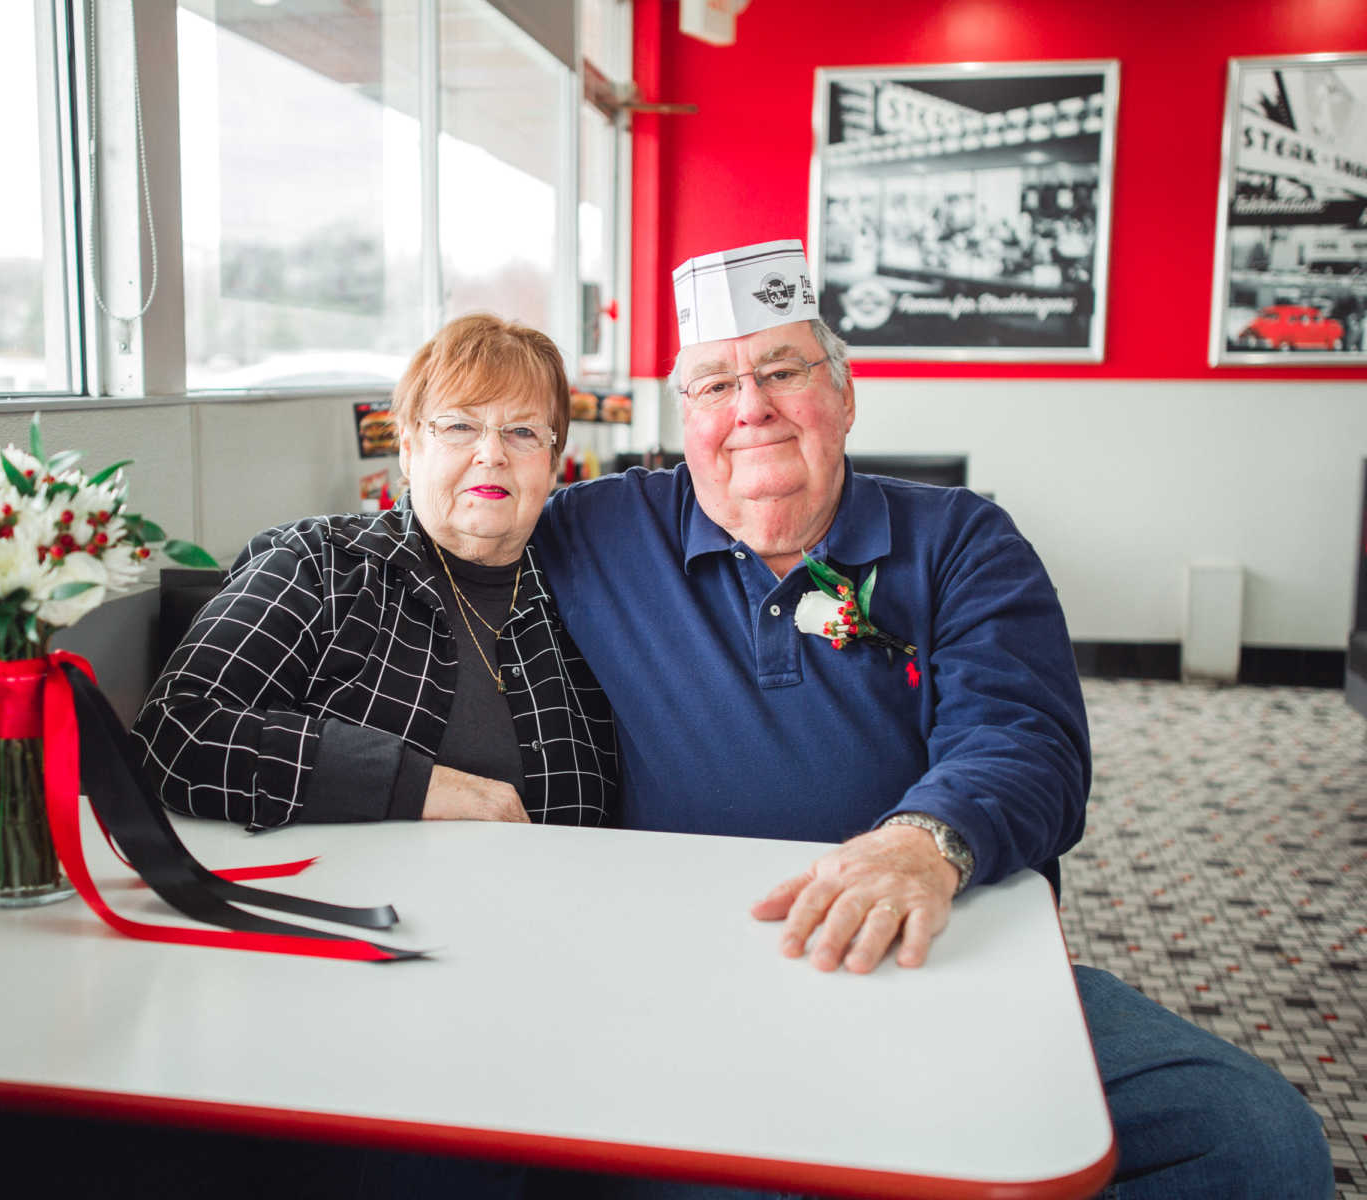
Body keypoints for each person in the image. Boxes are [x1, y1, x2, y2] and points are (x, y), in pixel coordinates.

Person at [531, 239, 1332, 1198]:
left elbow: (1026, 740)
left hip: (940, 944)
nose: (751, 408)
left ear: (845, 394)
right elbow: (416, 545)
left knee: (1256, 1139)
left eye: (783, 370)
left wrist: (922, 844)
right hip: (700, 970)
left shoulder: (960, 539)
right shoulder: (596, 528)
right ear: (683, 416)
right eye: (713, 385)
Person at [134, 310, 617, 833]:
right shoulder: (316, 564)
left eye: (523, 431)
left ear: (552, 461)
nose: (492, 454)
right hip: (350, 908)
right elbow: (173, 732)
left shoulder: (591, 600)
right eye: (459, 426)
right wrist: (415, 786)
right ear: (408, 449)